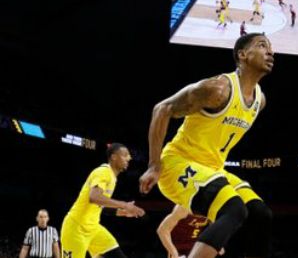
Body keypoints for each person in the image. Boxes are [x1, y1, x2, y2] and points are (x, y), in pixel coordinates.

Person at [139, 33, 275, 258]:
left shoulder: (260, 101)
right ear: (242, 55)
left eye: (271, 48)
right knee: (234, 209)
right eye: (262, 46)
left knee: (260, 214)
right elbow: (161, 109)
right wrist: (154, 165)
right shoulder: (217, 90)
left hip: (213, 168)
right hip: (177, 163)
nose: (270, 52)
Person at [61, 144, 145, 258]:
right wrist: (124, 205)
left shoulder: (112, 177)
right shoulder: (103, 172)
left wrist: (120, 212)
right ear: (114, 157)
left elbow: (99, 205)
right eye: (125, 155)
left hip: (93, 228)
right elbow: (94, 197)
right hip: (76, 228)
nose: (129, 158)